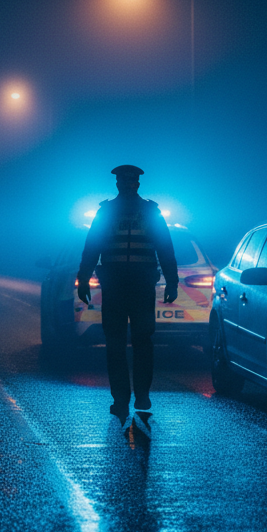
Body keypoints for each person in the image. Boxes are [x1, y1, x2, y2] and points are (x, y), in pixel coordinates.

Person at [77, 164, 178, 426]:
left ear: (125, 184)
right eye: (126, 181)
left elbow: (92, 247)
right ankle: (136, 398)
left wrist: (85, 278)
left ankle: (127, 399)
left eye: (128, 181)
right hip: (136, 285)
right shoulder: (148, 212)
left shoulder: (107, 212)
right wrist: (171, 281)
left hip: (119, 285)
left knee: (119, 343)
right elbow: (165, 249)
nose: (127, 185)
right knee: (137, 341)